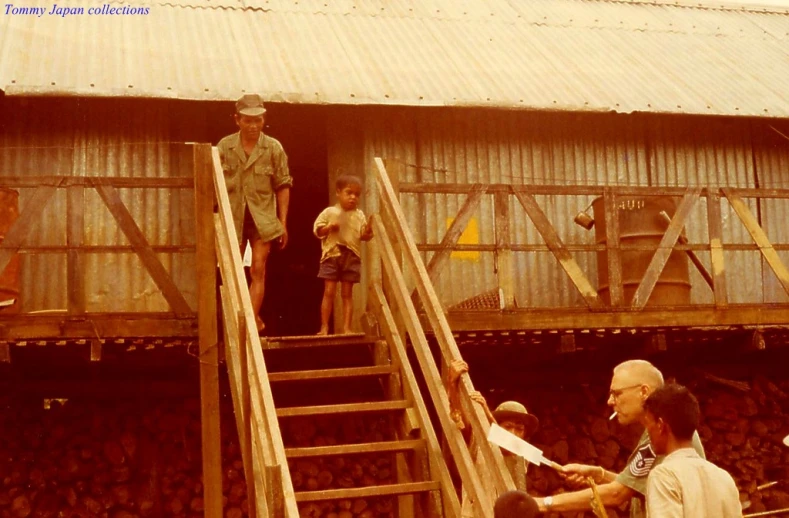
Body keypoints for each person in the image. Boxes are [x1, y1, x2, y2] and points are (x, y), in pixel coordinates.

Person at [534, 360, 705, 517]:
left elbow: (618, 493)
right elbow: (634, 485)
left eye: (617, 394)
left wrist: (543, 503)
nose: (610, 401)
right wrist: (598, 474)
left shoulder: (661, 433)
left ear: (644, 391)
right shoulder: (660, 429)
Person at [217, 94, 292, 333]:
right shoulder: (224, 147)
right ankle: (247, 319)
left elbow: (283, 185)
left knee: (257, 269)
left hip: (263, 221)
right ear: (237, 120)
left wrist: (283, 223)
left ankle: (250, 321)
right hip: (233, 219)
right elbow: (212, 185)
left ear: (263, 120)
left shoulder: (273, 148)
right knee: (233, 270)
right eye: (248, 120)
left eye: (258, 120)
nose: (253, 126)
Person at [447, 360, 539, 518]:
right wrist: (452, 386)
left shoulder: (523, 452)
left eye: (519, 429)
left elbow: (508, 445)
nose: (513, 433)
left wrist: (488, 415)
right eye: (508, 426)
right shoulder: (478, 441)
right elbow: (460, 418)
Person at [643, 384, 741, 517]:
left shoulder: (664, 476)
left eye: (648, 424)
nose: (648, 432)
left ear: (660, 425)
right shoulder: (724, 477)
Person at [313, 175, 373, 335]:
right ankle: (324, 327)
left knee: (347, 294)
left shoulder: (359, 215)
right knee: (329, 292)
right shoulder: (329, 212)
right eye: (349, 193)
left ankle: (347, 328)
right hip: (331, 256)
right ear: (338, 192)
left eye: (357, 194)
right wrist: (329, 228)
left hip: (351, 257)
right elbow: (317, 230)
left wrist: (368, 231)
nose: (353, 197)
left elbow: (364, 235)